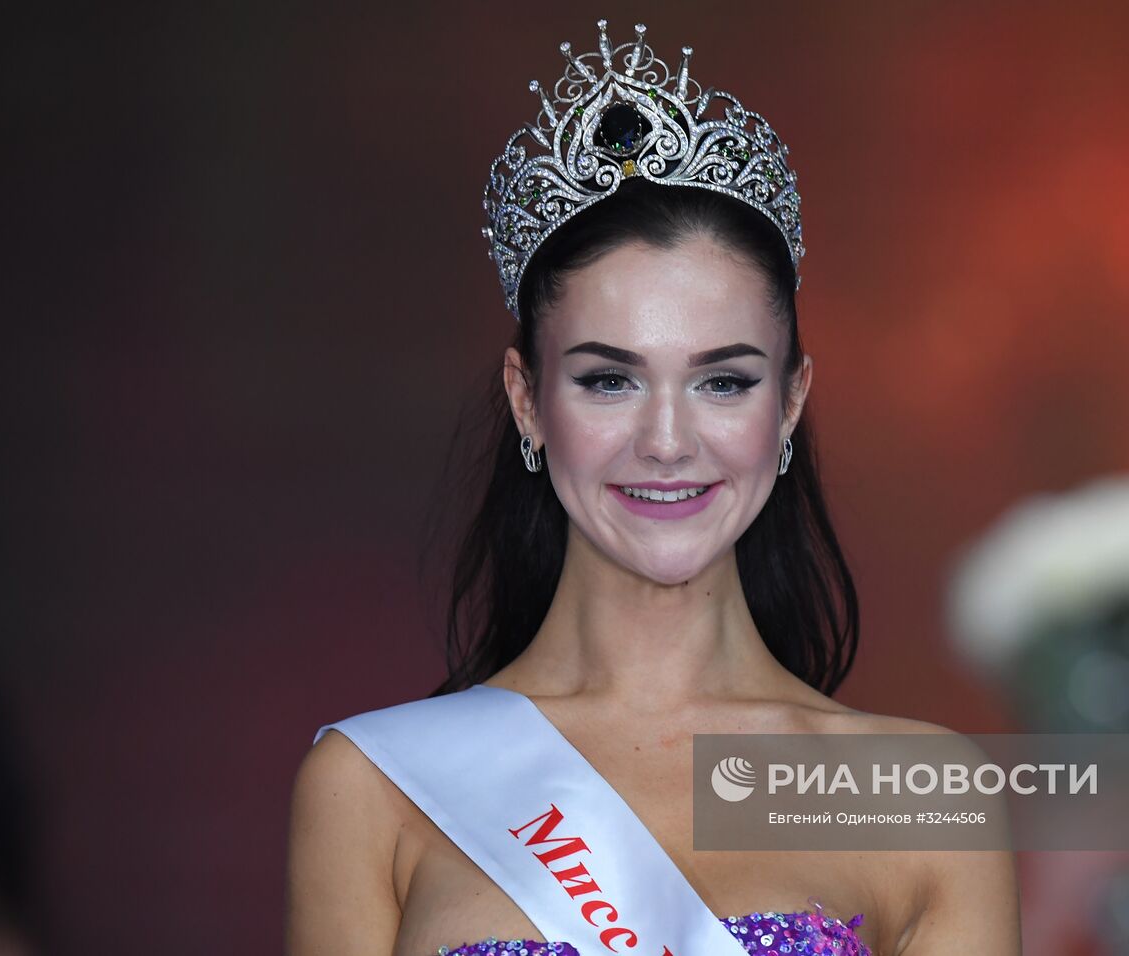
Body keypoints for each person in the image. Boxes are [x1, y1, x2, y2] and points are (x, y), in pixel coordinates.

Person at [285, 19, 1020, 956]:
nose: (667, 443)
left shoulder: (925, 798)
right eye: (608, 380)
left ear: (790, 403)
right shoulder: (374, 786)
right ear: (527, 400)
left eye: (724, 381)